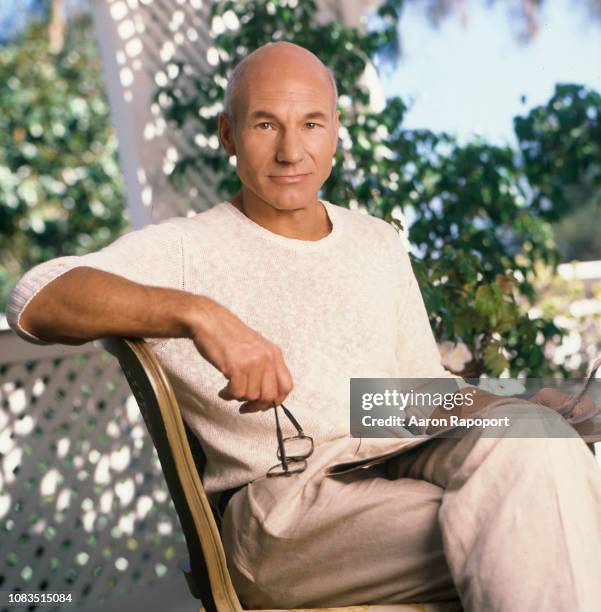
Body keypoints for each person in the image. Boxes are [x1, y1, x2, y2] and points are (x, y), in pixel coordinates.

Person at [7, 42, 601, 611]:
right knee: (545, 510)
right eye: (266, 124)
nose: (292, 150)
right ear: (227, 134)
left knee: (538, 451)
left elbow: (412, 400)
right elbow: (36, 297)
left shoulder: (376, 242)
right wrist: (199, 313)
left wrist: (522, 409)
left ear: (336, 131)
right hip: (280, 512)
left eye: (311, 124)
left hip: (394, 464)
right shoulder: (189, 248)